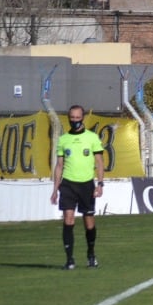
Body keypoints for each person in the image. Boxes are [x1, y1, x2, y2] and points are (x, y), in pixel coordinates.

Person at [50, 104, 105, 270]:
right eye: (71, 118)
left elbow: (100, 162)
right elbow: (59, 165)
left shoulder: (92, 138)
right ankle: (69, 259)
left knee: (89, 222)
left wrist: (100, 184)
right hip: (68, 184)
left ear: (82, 118)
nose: (74, 121)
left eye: (77, 118)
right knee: (68, 218)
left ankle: (91, 254)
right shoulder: (63, 139)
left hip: (87, 184)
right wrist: (55, 190)